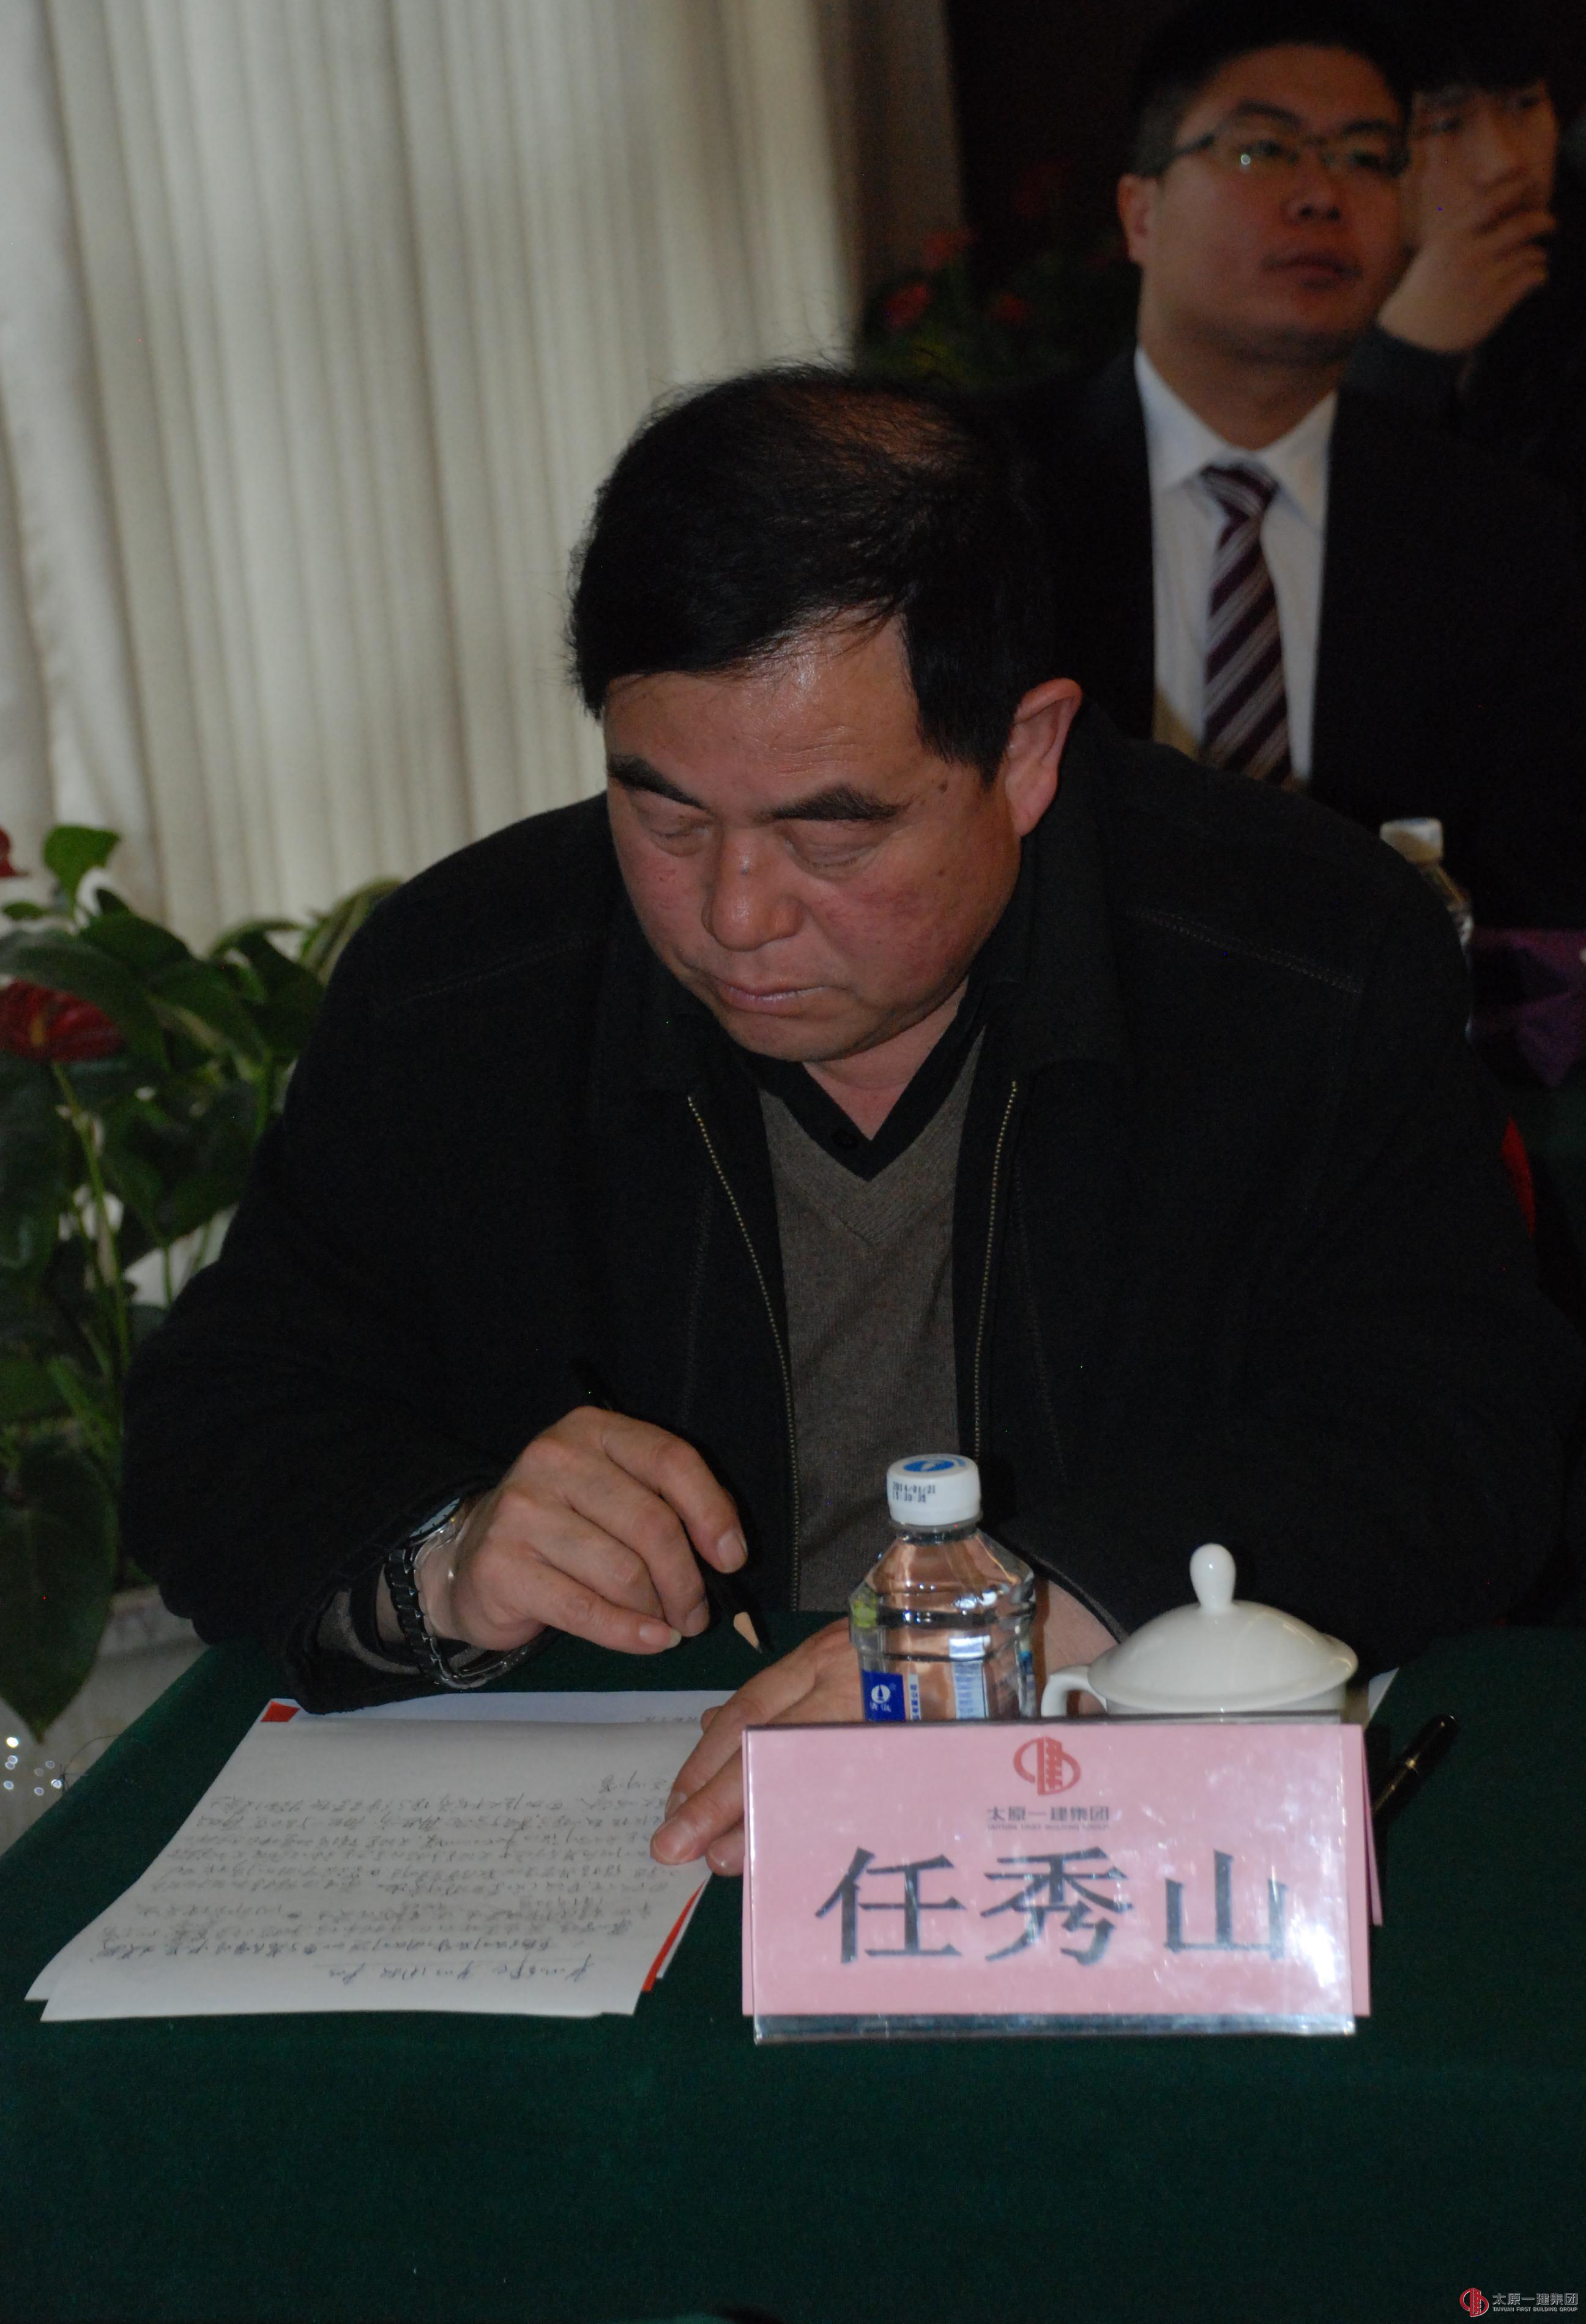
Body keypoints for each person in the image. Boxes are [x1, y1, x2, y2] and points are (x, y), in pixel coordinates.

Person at [121, 371, 1579, 1877]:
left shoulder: (1304, 957)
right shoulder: (466, 986)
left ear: (1025, 755)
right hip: (644, 1843)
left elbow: (1459, 1427)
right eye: (665, 817)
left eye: (828, 831)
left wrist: (1042, 1614)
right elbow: (216, 1421)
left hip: (1107, 1838)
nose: (736, 914)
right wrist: (452, 1556)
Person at [993, 0, 1586, 929]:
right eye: (1261, 150)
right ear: (1141, 213)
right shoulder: (981, 488)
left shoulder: (1509, 537)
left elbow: (1538, 898)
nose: (1320, 195)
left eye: (1366, 158)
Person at [1344, 0, 1586, 530]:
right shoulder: (1287, 295)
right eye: (1445, 125)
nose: (1505, 163)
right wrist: (1405, 360)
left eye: (1525, 105)